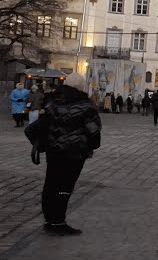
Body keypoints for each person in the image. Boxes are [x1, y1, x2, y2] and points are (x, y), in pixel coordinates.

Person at [24, 82, 101, 236]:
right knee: (65, 187)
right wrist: (92, 145)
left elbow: (42, 124)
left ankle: (49, 220)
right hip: (75, 152)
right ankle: (58, 221)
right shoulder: (85, 106)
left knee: (51, 184)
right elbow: (93, 130)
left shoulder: (53, 102)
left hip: (54, 150)